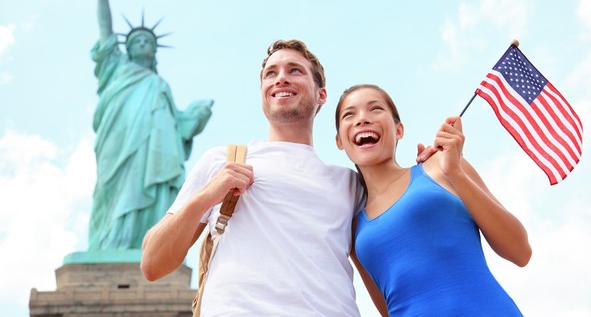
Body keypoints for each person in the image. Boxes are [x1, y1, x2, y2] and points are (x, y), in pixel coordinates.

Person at [140, 39, 365, 316]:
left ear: (321, 95)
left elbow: (382, 269)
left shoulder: (350, 184)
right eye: (271, 73)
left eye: (295, 70)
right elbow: (152, 263)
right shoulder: (222, 160)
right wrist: (206, 197)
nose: (281, 78)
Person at [335, 84, 532, 317]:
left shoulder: (441, 166)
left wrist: (455, 172)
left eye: (375, 109)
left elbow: (520, 251)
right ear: (339, 141)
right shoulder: (354, 227)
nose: (362, 119)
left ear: (399, 130)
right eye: (349, 114)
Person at [88, 0, 213, 250]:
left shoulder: (160, 85)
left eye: (149, 41)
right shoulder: (115, 68)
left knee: (155, 192)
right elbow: (106, 31)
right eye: (137, 41)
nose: (143, 43)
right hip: (118, 146)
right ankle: (108, 247)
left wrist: (195, 117)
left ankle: (148, 247)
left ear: (154, 51)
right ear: (127, 48)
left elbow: (176, 126)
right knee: (113, 194)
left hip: (155, 153)